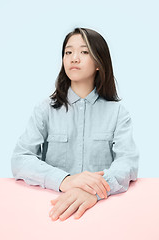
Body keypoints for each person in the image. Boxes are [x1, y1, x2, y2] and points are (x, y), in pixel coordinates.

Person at [11, 27, 139, 221]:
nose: (74, 58)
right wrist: (66, 180)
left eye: (84, 52)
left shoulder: (118, 113)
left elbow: (128, 163)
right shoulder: (44, 110)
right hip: (50, 213)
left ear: (99, 62)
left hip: (104, 216)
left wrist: (93, 191)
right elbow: (20, 159)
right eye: (68, 52)